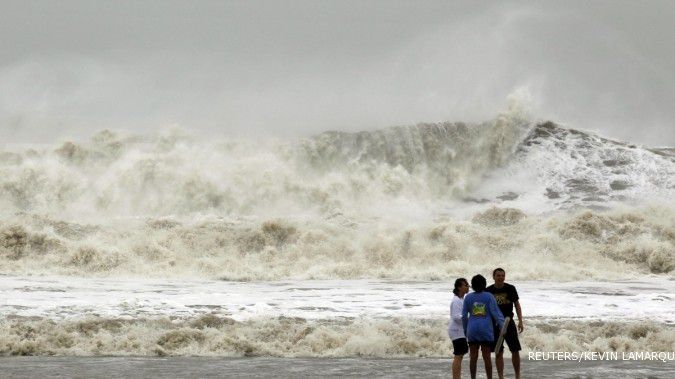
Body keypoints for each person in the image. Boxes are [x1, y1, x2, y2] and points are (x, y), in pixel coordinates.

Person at [462, 274, 505, 379]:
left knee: (473, 358)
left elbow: (463, 316)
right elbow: (495, 313)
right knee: (487, 358)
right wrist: (502, 326)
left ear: (472, 285)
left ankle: (473, 378)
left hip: (472, 329)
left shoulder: (468, 297)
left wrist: (465, 329)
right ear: (484, 284)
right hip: (485, 330)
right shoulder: (489, 296)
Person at [487, 268, 523, 379]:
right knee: (498, 351)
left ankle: (517, 375)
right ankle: (500, 377)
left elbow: (517, 305)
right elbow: (486, 309)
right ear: (493, 277)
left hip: (509, 322)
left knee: (515, 350)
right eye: (498, 275)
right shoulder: (488, 291)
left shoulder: (510, 288)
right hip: (495, 324)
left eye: (503, 275)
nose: (501, 277)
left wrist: (520, 321)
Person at [449, 278, 470, 379]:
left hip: (460, 331)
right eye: (465, 285)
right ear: (459, 287)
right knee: (458, 355)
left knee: (460, 355)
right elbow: (456, 317)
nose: (468, 287)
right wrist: (470, 319)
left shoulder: (462, 299)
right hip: (456, 331)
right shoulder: (456, 300)